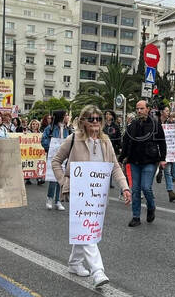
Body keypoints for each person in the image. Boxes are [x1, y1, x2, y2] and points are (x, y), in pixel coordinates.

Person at [52, 105, 131, 288]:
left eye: (98, 119)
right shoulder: (74, 139)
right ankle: (98, 271)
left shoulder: (105, 141)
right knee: (88, 228)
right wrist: (63, 182)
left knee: (86, 227)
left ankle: (74, 263)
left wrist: (125, 188)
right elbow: (56, 161)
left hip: (97, 194)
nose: (95, 122)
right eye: (91, 119)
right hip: (77, 192)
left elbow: (115, 167)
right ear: (83, 121)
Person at [119, 100, 166, 227]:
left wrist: (163, 158)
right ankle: (136, 217)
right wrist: (121, 158)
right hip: (134, 161)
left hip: (150, 161)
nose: (139, 111)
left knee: (146, 187)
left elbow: (162, 142)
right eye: (137, 109)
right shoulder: (132, 125)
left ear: (148, 109)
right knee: (135, 190)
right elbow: (126, 143)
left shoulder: (155, 125)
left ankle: (151, 207)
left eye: (141, 108)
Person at [42, 110, 72, 211]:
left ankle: (58, 200)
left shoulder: (68, 129)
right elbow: (43, 140)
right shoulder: (50, 128)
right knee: (53, 178)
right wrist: (52, 146)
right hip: (53, 156)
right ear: (61, 117)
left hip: (64, 157)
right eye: (66, 115)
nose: (68, 117)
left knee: (61, 178)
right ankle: (49, 198)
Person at [161, 111, 175, 202]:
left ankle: (170, 192)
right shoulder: (156, 122)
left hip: (168, 151)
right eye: (166, 110)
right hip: (157, 152)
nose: (167, 112)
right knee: (150, 173)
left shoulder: (173, 124)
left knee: (168, 172)